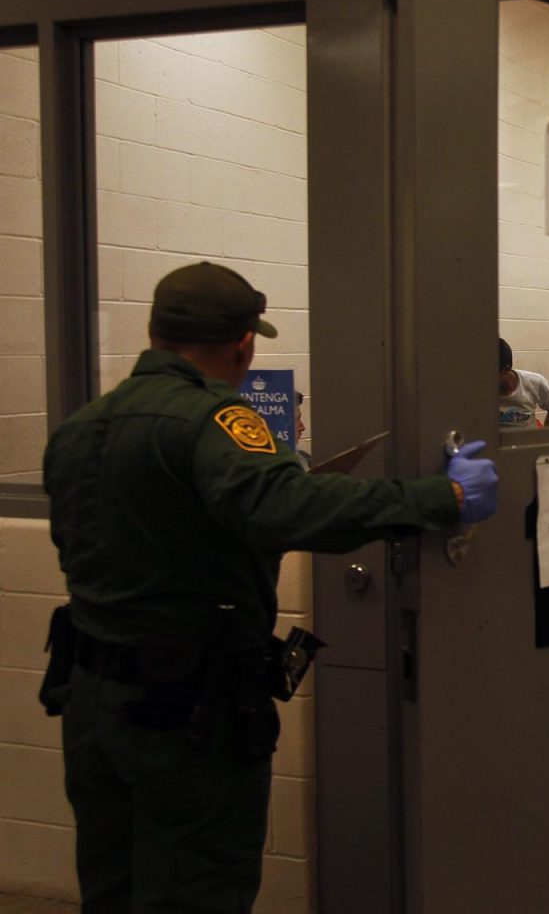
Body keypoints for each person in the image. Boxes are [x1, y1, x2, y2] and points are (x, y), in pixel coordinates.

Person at [40, 262, 499, 913]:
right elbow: (284, 507)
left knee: (113, 885)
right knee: (199, 889)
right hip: (183, 710)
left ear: (155, 334)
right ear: (243, 344)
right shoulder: (214, 421)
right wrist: (443, 496)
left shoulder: (79, 427)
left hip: (91, 700)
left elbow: (126, 543)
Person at [498, 337, 549, 429]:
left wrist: (546, 437)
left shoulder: (534, 382)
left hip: (527, 442)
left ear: (506, 369)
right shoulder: (477, 389)